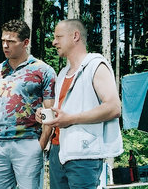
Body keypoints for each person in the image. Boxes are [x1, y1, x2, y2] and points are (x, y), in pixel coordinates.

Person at [36, 19, 123, 189]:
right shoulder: (62, 74)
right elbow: (65, 113)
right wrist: (46, 115)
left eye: (58, 37)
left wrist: (71, 119)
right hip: (57, 152)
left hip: (84, 155)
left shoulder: (96, 66)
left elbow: (114, 108)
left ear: (75, 36)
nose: (54, 42)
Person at [0, 19, 56, 189]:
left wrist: (41, 144)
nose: (5, 46)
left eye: (11, 41)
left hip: (28, 143)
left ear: (25, 43)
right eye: (3, 41)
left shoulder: (43, 70)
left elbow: (50, 110)